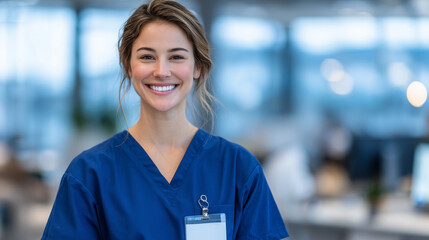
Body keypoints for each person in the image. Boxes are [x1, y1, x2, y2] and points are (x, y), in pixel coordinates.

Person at [41, 0, 289, 239]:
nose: (161, 71)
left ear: (197, 67)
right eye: (147, 57)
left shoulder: (237, 168)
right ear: (128, 65)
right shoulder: (89, 174)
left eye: (177, 57)